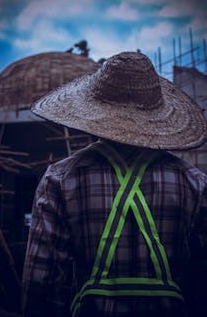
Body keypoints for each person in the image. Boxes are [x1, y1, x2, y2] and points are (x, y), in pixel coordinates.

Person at [22, 52, 207, 316]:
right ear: (157, 115)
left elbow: (42, 284)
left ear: (93, 111)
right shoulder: (194, 183)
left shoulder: (61, 179)